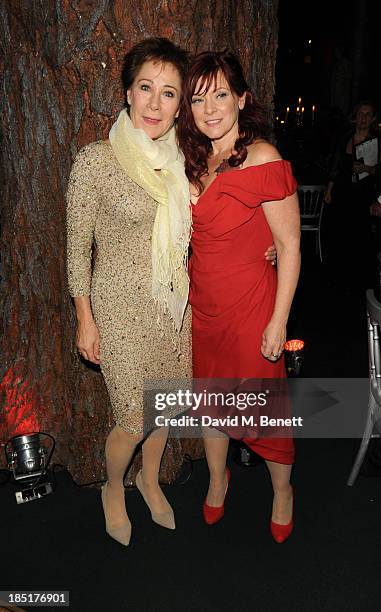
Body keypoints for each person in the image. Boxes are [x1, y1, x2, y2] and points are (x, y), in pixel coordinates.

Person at [66, 38, 277, 546]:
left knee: (169, 405)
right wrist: (85, 319)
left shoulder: (185, 159)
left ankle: (149, 478)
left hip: (175, 307)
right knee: (133, 416)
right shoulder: (95, 161)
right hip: (118, 310)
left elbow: (223, 216)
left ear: (180, 102)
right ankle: (113, 486)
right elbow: (76, 250)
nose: (156, 104)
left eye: (169, 93)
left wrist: (265, 246)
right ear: (127, 93)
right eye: (146, 89)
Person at [177, 51, 301, 543]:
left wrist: (279, 321)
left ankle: (284, 492)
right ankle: (215, 479)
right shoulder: (191, 159)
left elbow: (290, 246)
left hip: (252, 308)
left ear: (242, 99)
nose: (210, 109)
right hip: (203, 308)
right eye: (199, 98)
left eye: (221, 95)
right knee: (211, 404)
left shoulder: (264, 157)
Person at [324, 101, 381, 288]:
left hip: (363, 194)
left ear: (373, 119)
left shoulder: (377, 141)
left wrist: (367, 168)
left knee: (359, 236)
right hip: (342, 192)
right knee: (340, 233)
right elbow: (336, 164)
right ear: (355, 116)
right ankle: (339, 277)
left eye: (368, 114)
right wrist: (329, 189)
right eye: (361, 114)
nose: (363, 118)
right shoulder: (345, 137)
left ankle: (358, 279)